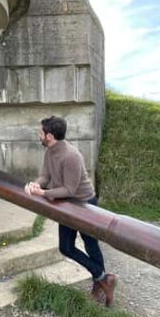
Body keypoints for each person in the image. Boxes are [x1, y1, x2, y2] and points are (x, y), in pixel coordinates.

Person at [25, 116, 117, 306]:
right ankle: (103, 278)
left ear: (49, 136)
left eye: (40, 132)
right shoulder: (50, 152)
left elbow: (70, 189)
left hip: (85, 205)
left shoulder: (71, 156)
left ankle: (99, 283)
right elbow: (45, 175)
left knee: (90, 244)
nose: (38, 135)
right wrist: (36, 183)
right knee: (65, 247)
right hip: (66, 204)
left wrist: (43, 192)